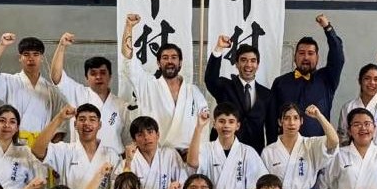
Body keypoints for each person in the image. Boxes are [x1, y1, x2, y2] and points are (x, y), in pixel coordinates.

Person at [120, 14, 209, 150]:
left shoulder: (193, 91)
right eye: (165, 58)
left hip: (187, 155)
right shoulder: (147, 85)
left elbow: (203, 126)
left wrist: (198, 153)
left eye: (174, 57)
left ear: (180, 63)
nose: (169, 61)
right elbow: (128, 58)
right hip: (157, 154)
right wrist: (128, 27)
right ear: (158, 63)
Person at [261, 104, 339, 189]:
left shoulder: (311, 144)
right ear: (280, 122)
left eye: (296, 118)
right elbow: (264, 184)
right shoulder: (269, 151)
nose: (291, 122)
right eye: (286, 118)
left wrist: (319, 116)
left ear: (301, 121)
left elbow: (334, 141)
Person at [50, 33, 128, 153]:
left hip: (113, 162)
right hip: (81, 159)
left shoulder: (121, 104)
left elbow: (127, 140)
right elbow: (56, 77)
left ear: (110, 76)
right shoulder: (78, 93)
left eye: (103, 73)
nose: (98, 77)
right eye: (93, 73)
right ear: (86, 77)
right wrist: (61, 47)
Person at [0, 33, 64, 142]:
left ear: (42, 58)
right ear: (20, 57)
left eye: (36, 54)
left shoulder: (51, 89)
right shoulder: (10, 81)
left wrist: (50, 146)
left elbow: (61, 122)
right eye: (26, 54)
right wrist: (2, 45)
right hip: (13, 142)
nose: (31, 58)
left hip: (41, 145)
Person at [32, 104, 121, 189]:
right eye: (82, 119)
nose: (87, 123)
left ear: (99, 125)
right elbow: (37, 150)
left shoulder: (111, 155)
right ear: (75, 124)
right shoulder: (65, 150)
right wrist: (60, 118)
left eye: (92, 120)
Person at [271, 14, 345, 137]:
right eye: (301, 53)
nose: (306, 57)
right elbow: (272, 119)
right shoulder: (280, 83)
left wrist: (328, 28)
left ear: (317, 57)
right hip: (286, 148)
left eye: (310, 53)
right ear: (295, 57)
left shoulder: (327, 79)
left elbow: (338, 56)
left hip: (318, 148)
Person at [186, 104, 268, 189]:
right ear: (214, 124)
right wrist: (198, 128)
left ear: (237, 125)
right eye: (222, 121)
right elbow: (192, 162)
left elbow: (260, 184)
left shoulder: (247, 152)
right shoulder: (206, 148)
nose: (226, 125)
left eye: (231, 121)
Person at [204, 35, 275, 151]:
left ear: (257, 65)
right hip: (223, 150)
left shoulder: (267, 94)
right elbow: (210, 79)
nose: (248, 65)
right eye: (243, 60)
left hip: (254, 152)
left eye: (253, 61)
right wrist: (219, 49)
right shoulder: (225, 86)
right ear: (236, 64)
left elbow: (271, 128)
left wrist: (272, 155)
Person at [122, 116, 188, 189]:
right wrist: (128, 162)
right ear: (134, 140)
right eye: (140, 134)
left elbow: (182, 185)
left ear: (158, 135)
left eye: (150, 132)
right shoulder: (129, 161)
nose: (146, 137)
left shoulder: (169, 155)